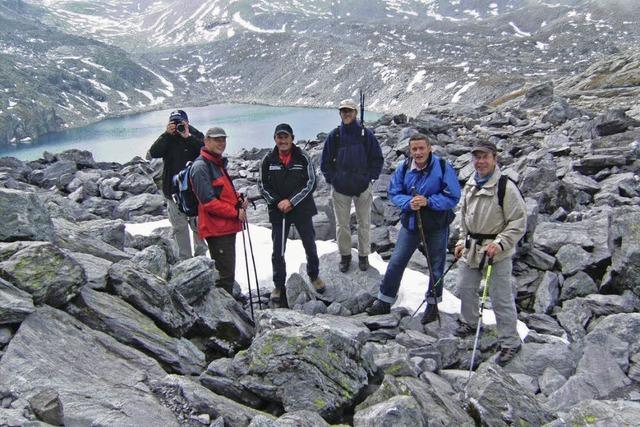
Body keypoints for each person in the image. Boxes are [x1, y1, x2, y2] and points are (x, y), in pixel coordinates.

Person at [367, 133, 461, 323]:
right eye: (414, 149)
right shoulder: (404, 168)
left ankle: (433, 305)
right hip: (411, 223)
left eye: (421, 148)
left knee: (436, 266)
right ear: (410, 150)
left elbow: (453, 196)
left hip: (436, 224)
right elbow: (394, 192)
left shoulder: (442, 167)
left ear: (429, 149)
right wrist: (410, 202)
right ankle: (384, 300)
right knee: (396, 261)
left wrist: (428, 201)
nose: (418, 153)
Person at [453, 139, 526, 366]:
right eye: (476, 157)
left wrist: (501, 243)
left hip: (496, 252)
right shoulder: (471, 184)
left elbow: (518, 221)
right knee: (464, 288)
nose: (480, 161)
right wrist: (460, 240)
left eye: (485, 157)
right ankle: (471, 322)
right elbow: (463, 216)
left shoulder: (506, 187)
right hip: (472, 248)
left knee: (500, 298)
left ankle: (510, 342)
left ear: (494, 158)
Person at [259, 123, 325, 304]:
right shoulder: (268, 160)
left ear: (292, 138)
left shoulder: (303, 157)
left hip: (301, 208)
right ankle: (279, 285)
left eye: (286, 137)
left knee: (310, 244)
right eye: (279, 137)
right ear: (275, 139)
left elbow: (311, 182)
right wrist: (278, 201)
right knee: (278, 250)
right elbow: (262, 185)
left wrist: (292, 201)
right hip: (278, 210)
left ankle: (314, 275)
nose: (283, 141)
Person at [320, 99, 384, 273]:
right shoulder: (335, 136)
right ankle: (345, 256)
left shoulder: (366, 135)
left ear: (355, 113)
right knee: (342, 225)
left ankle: (364, 256)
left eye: (349, 111)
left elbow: (377, 159)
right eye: (343, 111)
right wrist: (333, 179)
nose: (346, 114)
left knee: (365, 223)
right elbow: (325, 162)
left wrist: (370, 178)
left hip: (362, 187)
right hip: (340, 189)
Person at [190, 127, 247, 294]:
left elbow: (222, 193)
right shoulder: (201, 166)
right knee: (224, 276)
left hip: (225, 227)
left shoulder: (215, 162)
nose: (221, 143)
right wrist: (235, 213)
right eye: (216, 140)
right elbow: (208, 202)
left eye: (223, 139)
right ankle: (225, 314)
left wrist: (238, 199)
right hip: (217, 229)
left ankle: (227, 308)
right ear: (206, 141)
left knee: (226, 272)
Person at [148, 109, 208, 260]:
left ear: (187, 122)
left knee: (198, 226)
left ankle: (201, 258)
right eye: (173, 122)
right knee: (179, 228)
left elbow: (205, 152)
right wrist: (166, 134)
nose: (177, 125)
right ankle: (185, 261)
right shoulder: (167, 138)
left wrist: (187, 136)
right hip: (173, 192)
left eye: (180, 122)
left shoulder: (195, 135)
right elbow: (152, 153)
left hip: (194, 192)